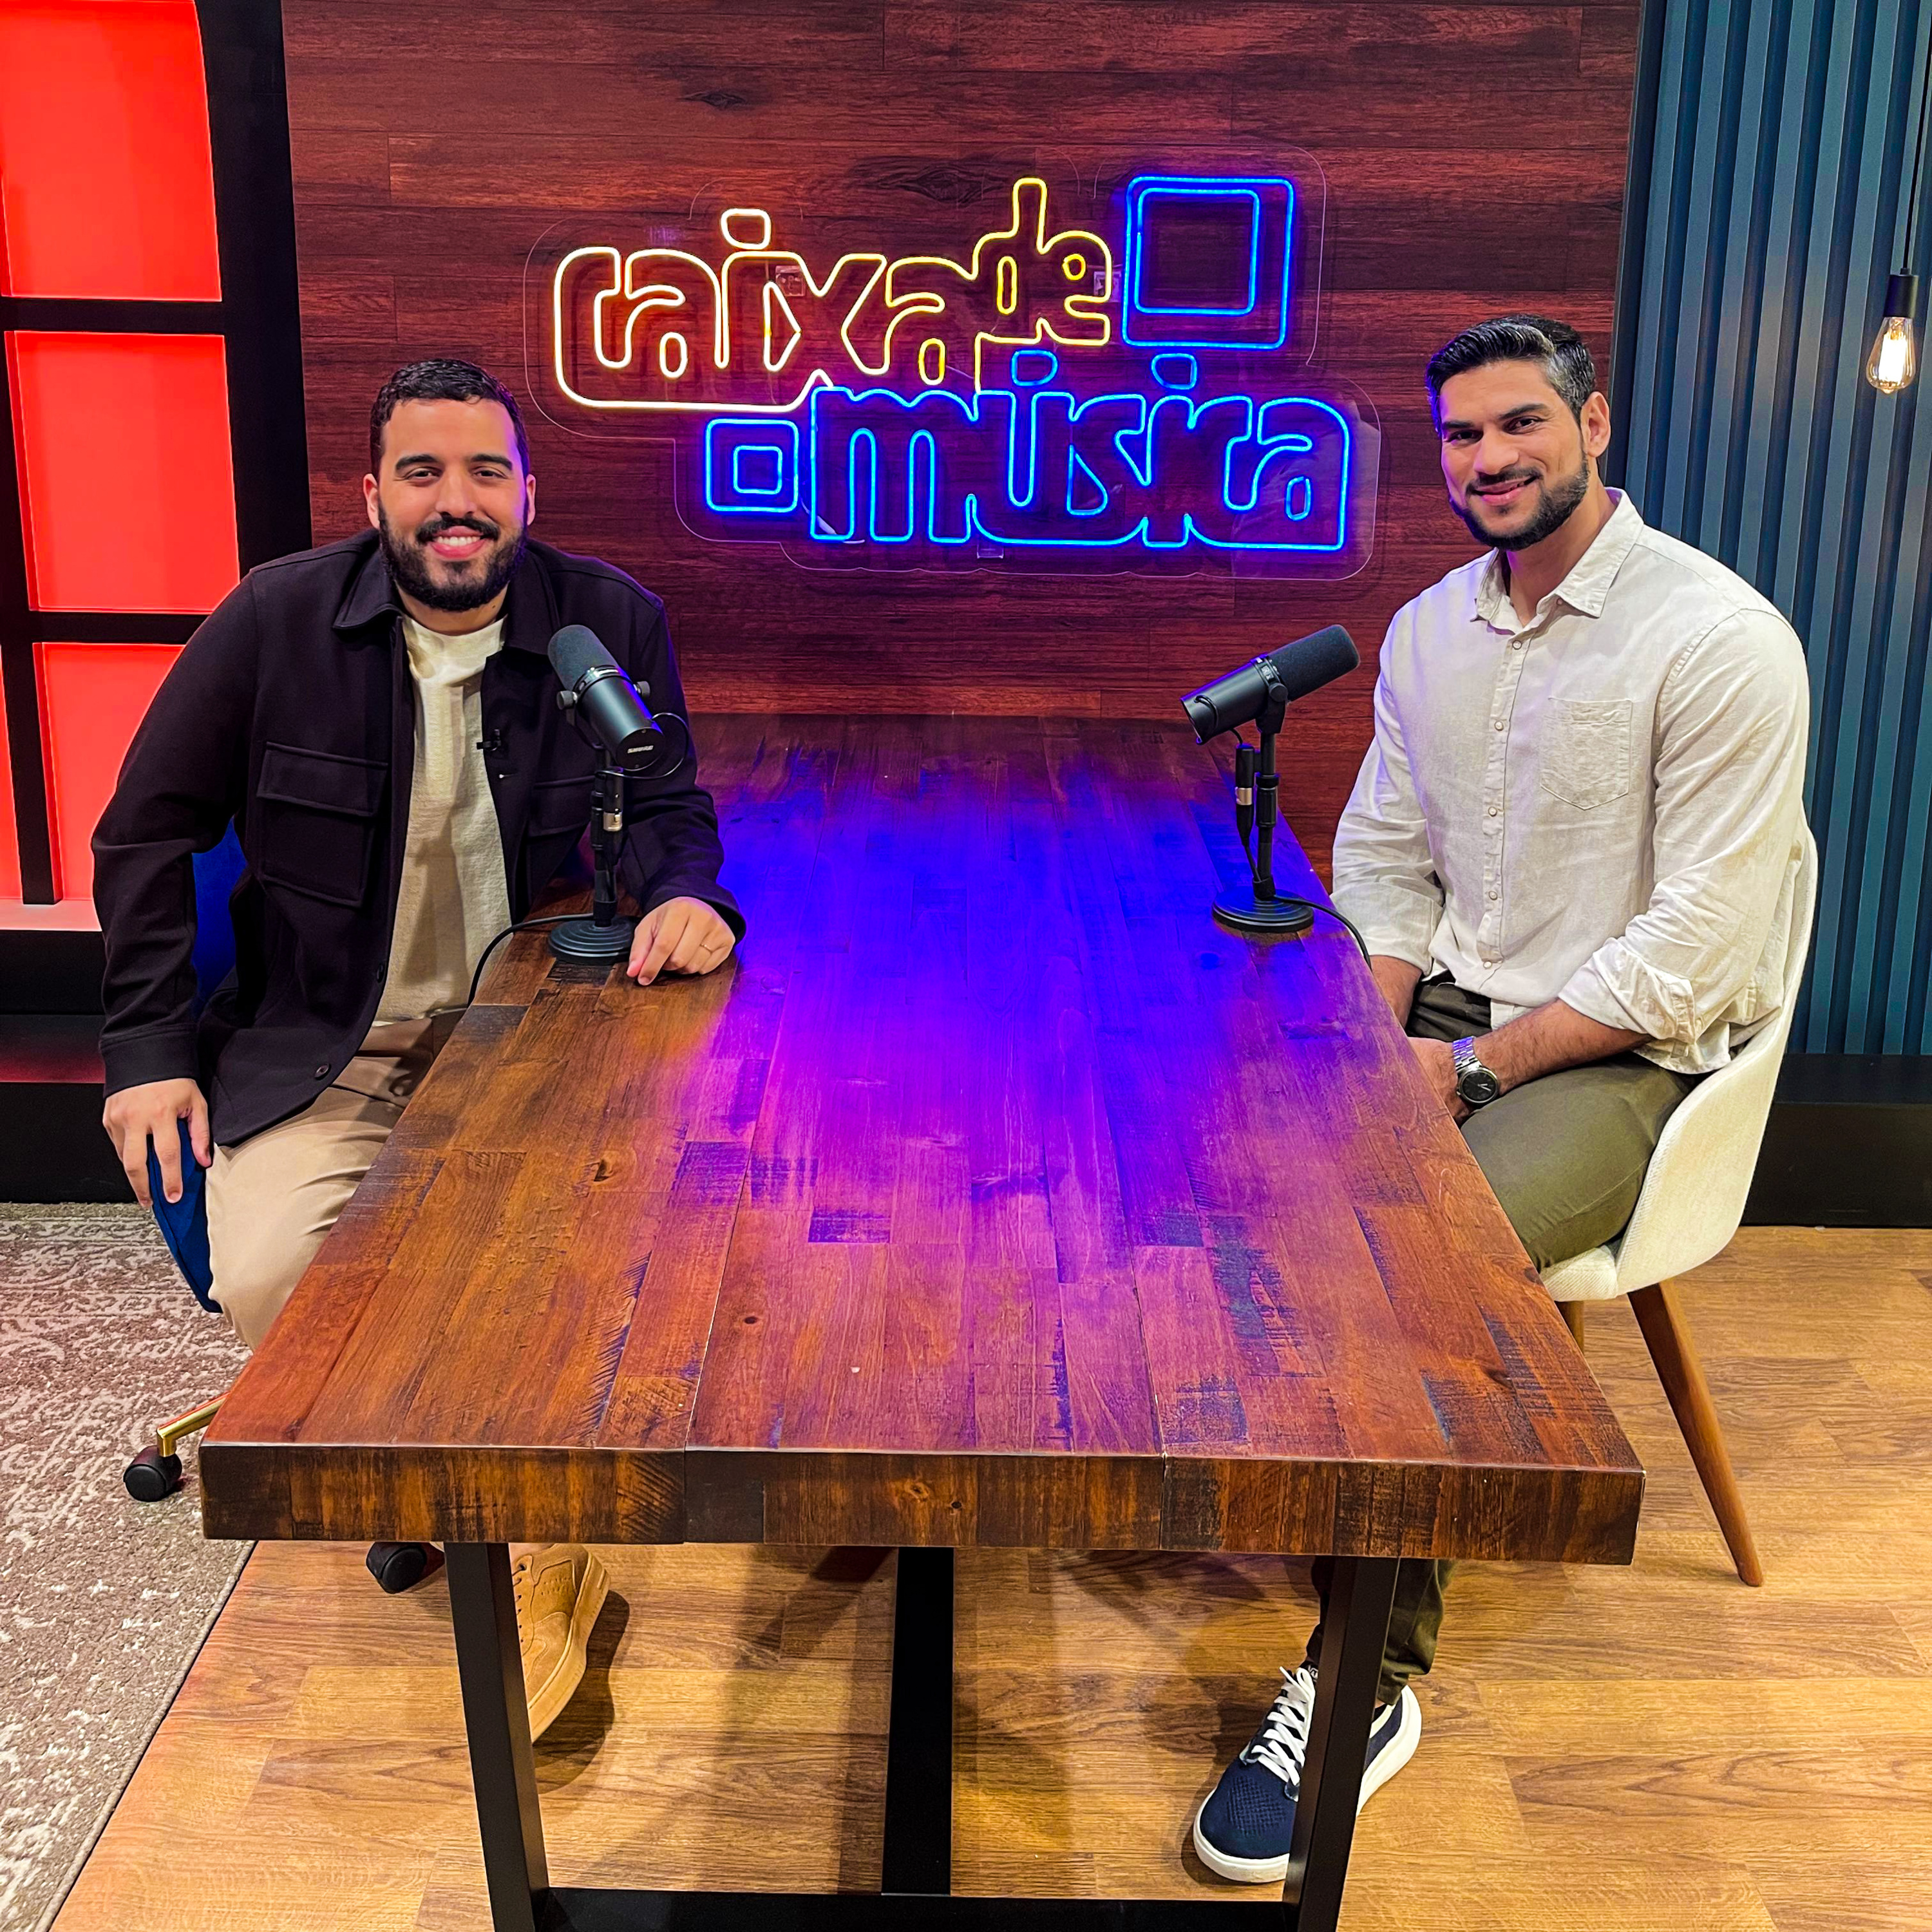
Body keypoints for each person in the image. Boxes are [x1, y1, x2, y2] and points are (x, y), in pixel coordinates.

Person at [1193, 315, 1810, 1882]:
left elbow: (1692, 952)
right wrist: (1373, 1032)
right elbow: (1389, 864)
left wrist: (1465, 1073)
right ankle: (1295, 1479)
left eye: (1522, 423)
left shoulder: (1720, 639)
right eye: (1463, 436)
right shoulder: (1428, 631)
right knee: (1197, 1148)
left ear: (1594, 425)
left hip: (1631, 1058)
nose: (1490, 459)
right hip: (1450, 1016)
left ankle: (1366, 1681)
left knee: (1418, 1266)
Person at [94, 357, 742, 1738]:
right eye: (424, 472)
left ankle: (531, 1533)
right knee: (275, 1283)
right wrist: (147, 1047)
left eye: (486, 471)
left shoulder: (608, 622)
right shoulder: (272, 622)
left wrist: (690, 896)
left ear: (527, 493)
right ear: (372, 492)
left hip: (533, 1049)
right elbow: (144, 831)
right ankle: (457, 1494)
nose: (458, 502)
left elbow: (671, 803)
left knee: (607, 1287)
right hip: (327, 1047)